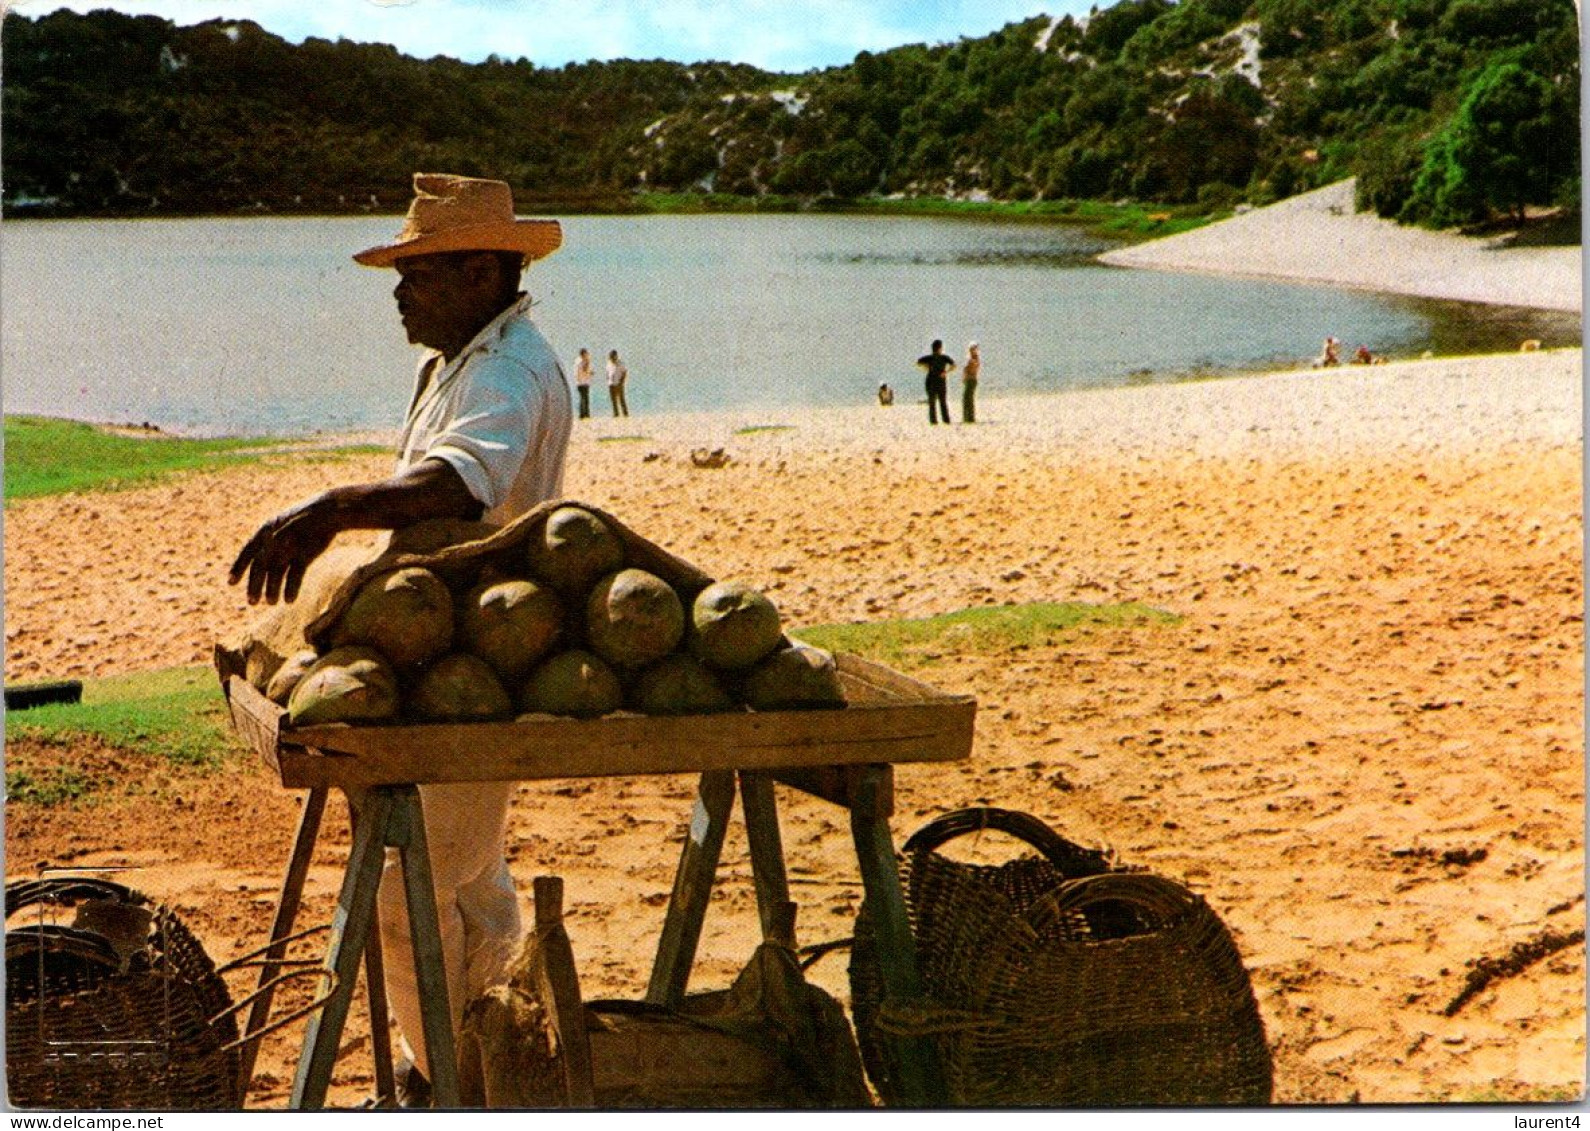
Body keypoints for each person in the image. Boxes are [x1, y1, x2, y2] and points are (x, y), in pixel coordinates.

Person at [228, 172, 571, 1106]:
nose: (398, 291)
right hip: (451, 644)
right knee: (470, 879)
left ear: (474, 272)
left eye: (415, 274)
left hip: (476, 655)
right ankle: (489, 1052)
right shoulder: (460, 359)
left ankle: (444, 1083)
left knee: (403, 887)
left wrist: (332, 509)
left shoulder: (502, 370)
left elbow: (462, 485)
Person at [916, 339, 955, 425]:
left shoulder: (929, 358)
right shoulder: (944, 358)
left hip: (930, 381)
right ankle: (946, 420)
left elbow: (918, 363)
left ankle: (933, 421)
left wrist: (926, 368)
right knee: (942, 402)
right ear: (940, 348)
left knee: (932, 403)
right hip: (940, 381)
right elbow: (954, 365)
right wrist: (946, 372)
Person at [961, 341, 981, 424]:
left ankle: (969, 418)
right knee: (967, 399)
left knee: (968, 398)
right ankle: (967, 417)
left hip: (971, 380)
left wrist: (966, 375)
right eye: (971, 349)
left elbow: (971, 368)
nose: (971, 350)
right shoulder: (972, 358)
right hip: (969, 380)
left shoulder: (974, 358)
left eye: (973, 349)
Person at [607, 349, 630, 417]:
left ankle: (625, 414)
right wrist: (608, 380)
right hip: (611, 383)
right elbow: (608, 372)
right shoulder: (609, 363)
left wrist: (622, 382)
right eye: (610, 357)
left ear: (615, 356)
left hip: (618, 383)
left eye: (612, 356)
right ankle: (616, 414)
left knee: (621, 399)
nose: (612, 358)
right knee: (613, 400)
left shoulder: (620, 363)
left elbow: (624, 372)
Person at [572, 347, 593, 418]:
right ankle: (585, 414)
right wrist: (587, 362)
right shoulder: (582, 361)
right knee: (584, 399)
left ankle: (583, 414)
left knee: (583, 398)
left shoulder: (577, 361)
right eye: (586, 353)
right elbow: (584, 370)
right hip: (583, 382)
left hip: (581, 382)